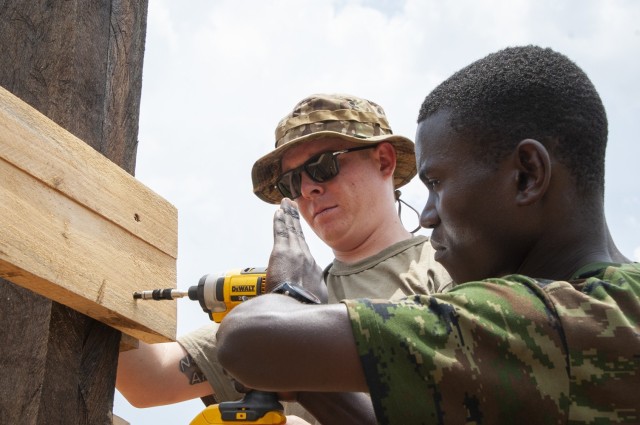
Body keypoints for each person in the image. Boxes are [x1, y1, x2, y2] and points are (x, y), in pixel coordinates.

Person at [216, 45, 639, 425]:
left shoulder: (533, 321)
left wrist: (291, 291)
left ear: (527, 176)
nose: (430, 215)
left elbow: (248, 341)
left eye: (436, 183)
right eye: (293, 184)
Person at [116, 94, 452, 420]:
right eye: (292, 181)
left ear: (384, 161)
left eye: (323, 166)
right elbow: (149, 380)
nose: (308, 189)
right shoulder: (284, 300)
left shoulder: (447, 267)